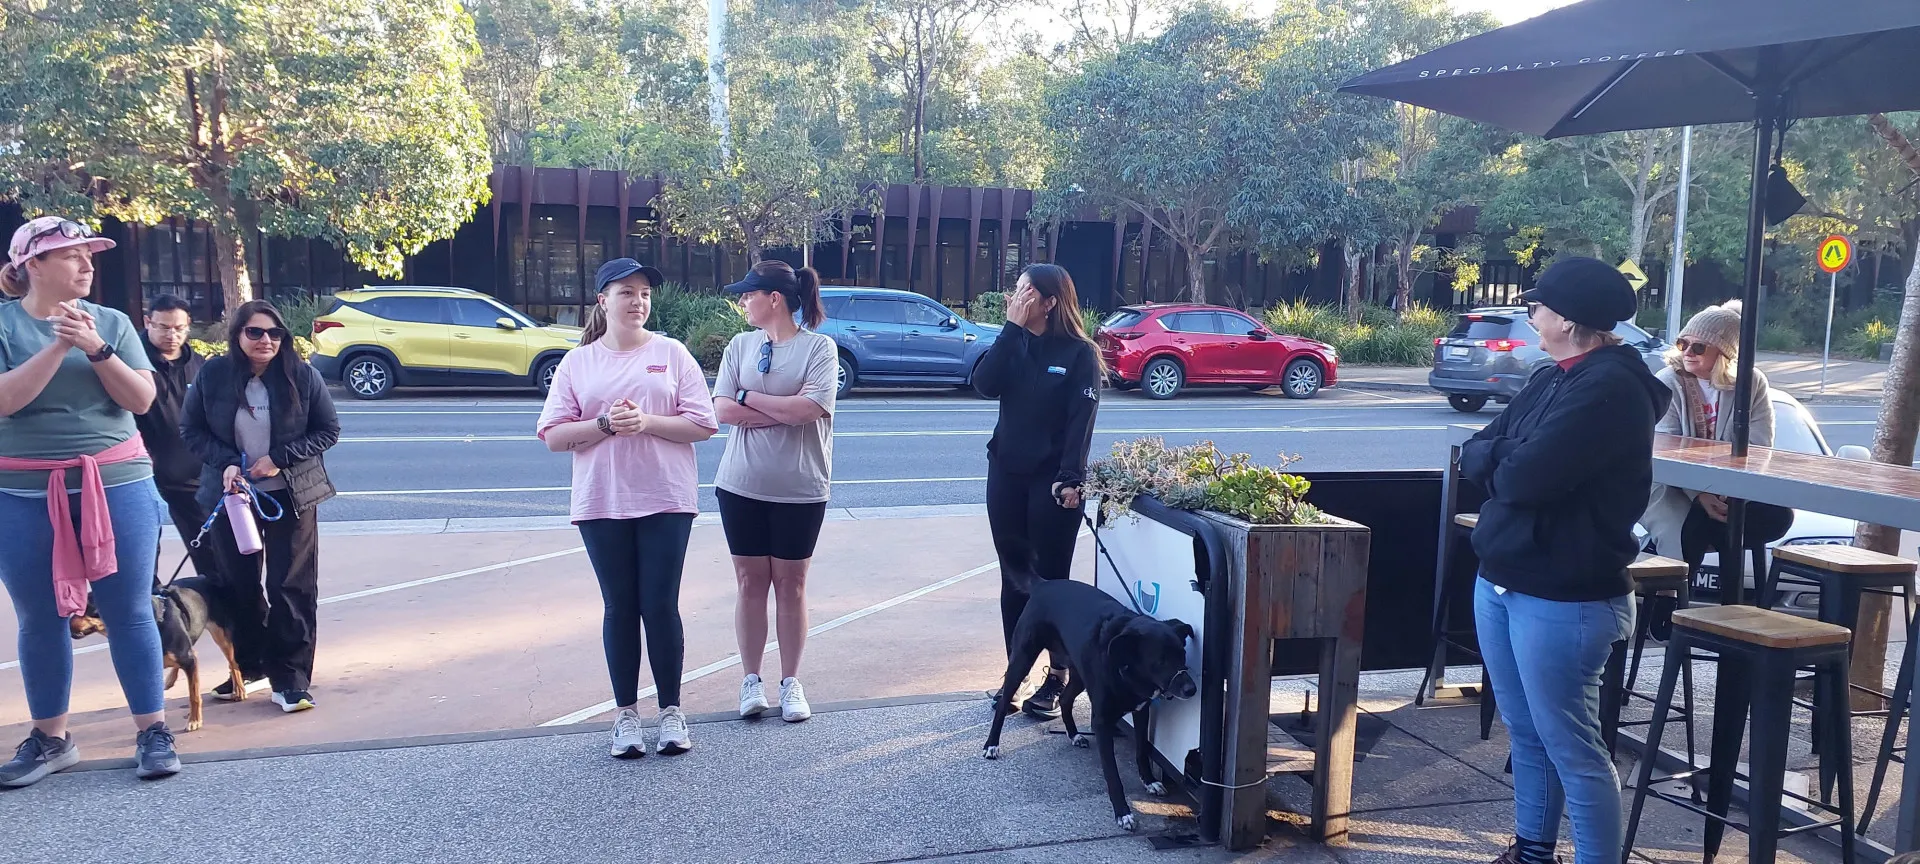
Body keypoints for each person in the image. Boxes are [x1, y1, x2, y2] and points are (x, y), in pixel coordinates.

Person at [1459, 257, 1671, 864]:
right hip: (1504, 577)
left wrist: (1503, 458)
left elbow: (1523, 478)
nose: (1530, 313)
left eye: (1539, 305)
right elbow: (1474, 450)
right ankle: (1532, 853)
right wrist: (1505, 455)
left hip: (1566, 593)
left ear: (1569, 321)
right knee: (1527, 733)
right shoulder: (1552, 377)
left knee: (1573, 748)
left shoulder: (1611, 389)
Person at [0, 216, 179, 785]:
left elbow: (142, 400)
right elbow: (4, 402)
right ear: (33, 265)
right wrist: (59, 345)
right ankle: (51, 739)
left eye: (89, 255)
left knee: (129, 610)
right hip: (22, 490)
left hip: (118, 481)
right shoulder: (5, 326)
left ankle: (153, 730)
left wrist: (96, 347)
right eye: (71, 255)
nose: (86, 265)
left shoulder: (113, 322)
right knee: (40, 616)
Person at [538, 258, 717, 759]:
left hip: (666, 497)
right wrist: (605, 425)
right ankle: (626, 716)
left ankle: (672, 712)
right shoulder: (579, 363)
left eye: (644, 294)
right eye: (626, 293)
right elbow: (554, 436)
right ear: (602, 301)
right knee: (619, 607)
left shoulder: (671, 353)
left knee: (659, 604)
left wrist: (648, 422)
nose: (638, 302)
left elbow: (703, 425)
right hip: (602, 500)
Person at [181, 299, 340, 715]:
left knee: (290, 586)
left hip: (291, 494)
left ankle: (291, 678)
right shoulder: (213, 375)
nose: (265, 340)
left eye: (274, 333)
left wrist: (279, 459)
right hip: (232, 496)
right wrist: (226, 463)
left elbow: (328, 431)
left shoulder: (302, 375)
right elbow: (191, 430)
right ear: (237, 335)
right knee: (239, 584)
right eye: (255, 332)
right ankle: (250, 666)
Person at [971, 263, 1102, 720]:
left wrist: (1072, 477)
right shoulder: (1013, 343)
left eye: (1026, 291)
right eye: (1016, 289)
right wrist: (1009, 329)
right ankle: (1016, 673)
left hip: (1052, 483)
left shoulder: (1079, 353)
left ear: (1049, 302)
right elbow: (984, 384)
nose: (1015, 297)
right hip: (1006, 474)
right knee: (1015, 578)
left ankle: (1058, 675)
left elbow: (1080, 423)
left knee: (1050, 582)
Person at [713, 260, 838, 723]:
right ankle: (751, 681)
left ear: (774, 299)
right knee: (749, 583)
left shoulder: (819, 348)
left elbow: (809, 409)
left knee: (791, 584)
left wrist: (748, 397)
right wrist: (779, 410)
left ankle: (790, 682)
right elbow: (722, 409)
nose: (743, 303)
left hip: (800, 489)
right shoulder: (739, 345)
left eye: (749, 295)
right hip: (740, 485)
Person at [1641, 300, 1793, 578]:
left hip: (1732, 485)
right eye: (1682, 343)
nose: (1687, 352)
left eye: (1699, 347)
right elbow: (1665, 449)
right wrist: (1700, 494)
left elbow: (1759, 446)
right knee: (1688, 528)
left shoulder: (1751, 382)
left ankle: (1727, 599)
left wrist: (1725, 490)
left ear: (1724, 353)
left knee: (1777, 516)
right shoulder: (1668, 380)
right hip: (1669, 484)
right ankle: (1667, 598)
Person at [135, 295, 229, 591]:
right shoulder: (130, 360)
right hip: (141, 471)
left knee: (211, 553)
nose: (171, 335)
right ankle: (148, 607)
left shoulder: (198, 365)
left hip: (191, 473)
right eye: (163, 327)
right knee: (142, 551)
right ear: (148, 322)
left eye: (179, 328)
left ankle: (221, 608)